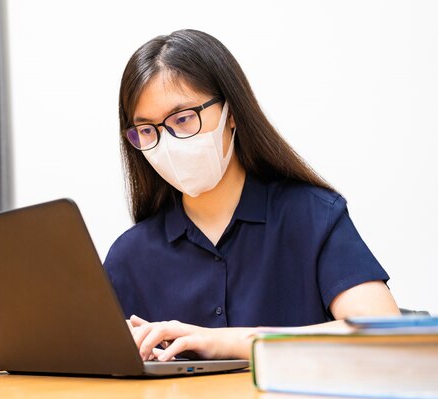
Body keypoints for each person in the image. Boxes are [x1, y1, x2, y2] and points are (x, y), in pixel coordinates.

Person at [103, 29, 400, 361]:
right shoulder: (128, 256)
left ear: (231, 115)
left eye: (184, 119)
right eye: (146, 130)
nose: (167, 143)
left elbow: (384, 333)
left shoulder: (311, 216)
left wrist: (228, 342)